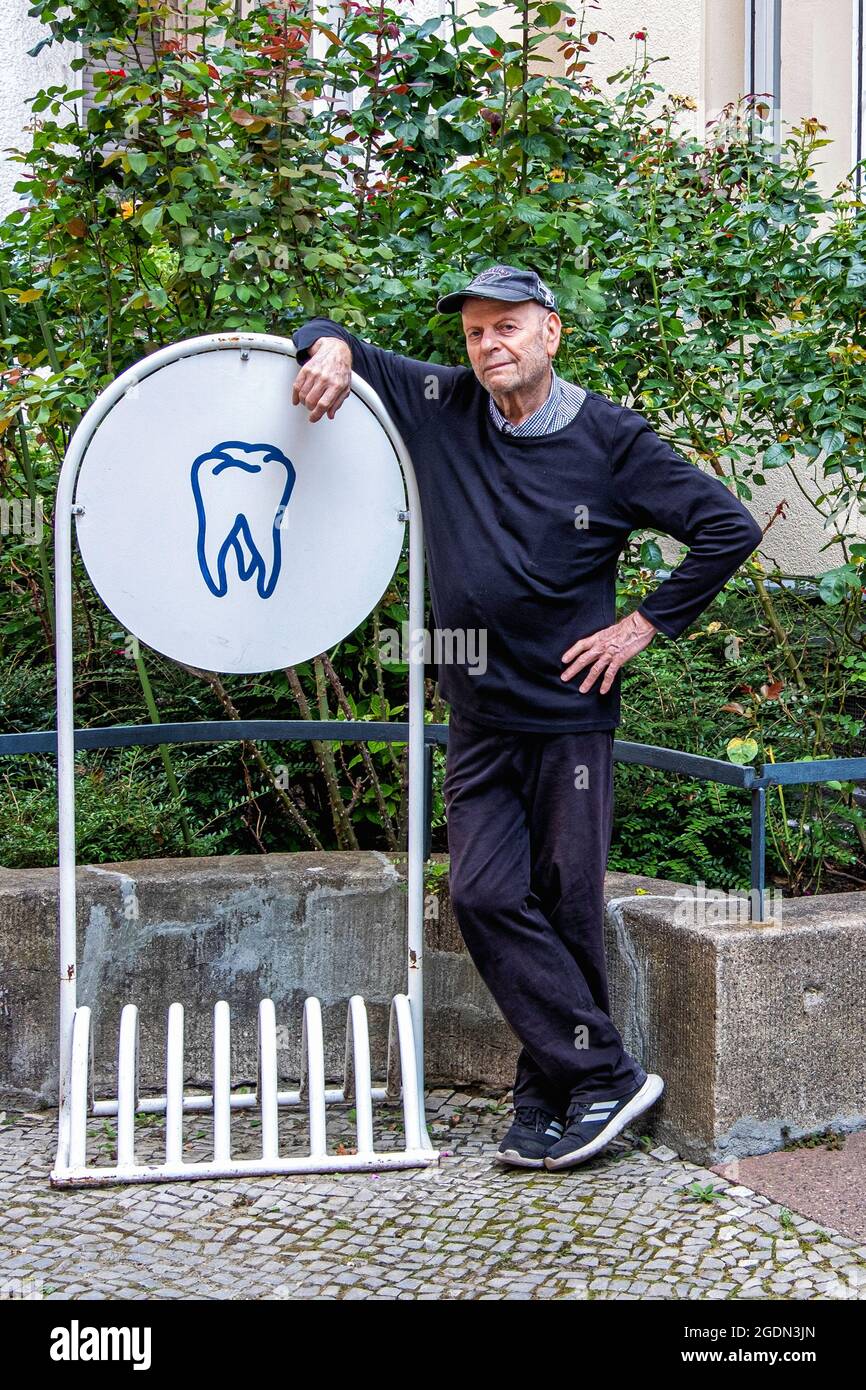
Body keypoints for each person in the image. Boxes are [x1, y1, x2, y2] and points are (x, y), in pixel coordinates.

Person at [290, 263, 763, 1172]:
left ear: (550, 333)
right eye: (474, 332)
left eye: (506, 327)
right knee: (480, 895)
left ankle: (552, 1095)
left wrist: (642, 625)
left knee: (566, 906)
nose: (487, 345)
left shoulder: (612, 442)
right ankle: (605, 1077)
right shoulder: (442, 402)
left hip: (569, 716)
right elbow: (314, 323)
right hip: (477, 713)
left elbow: (726, 527)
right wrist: (331, 345)